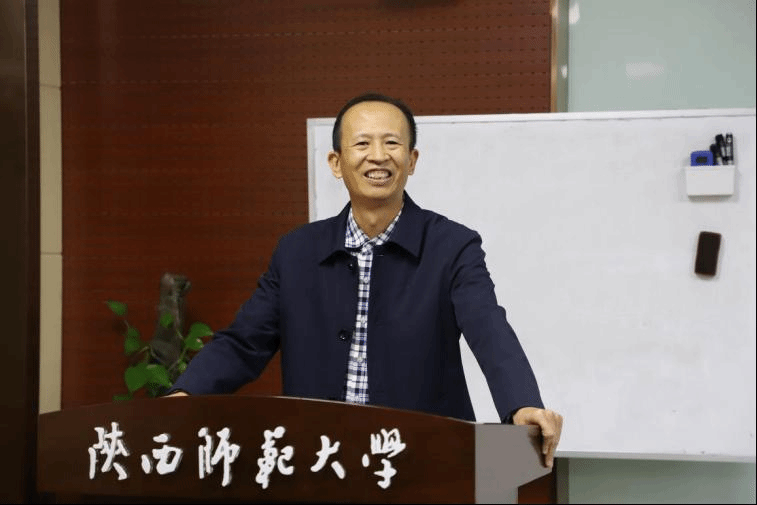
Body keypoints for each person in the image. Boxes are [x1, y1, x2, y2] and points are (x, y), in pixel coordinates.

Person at [167, 92, 563, 468]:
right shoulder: (297, 251)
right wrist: (187, 393)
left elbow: (488, 328)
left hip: (424, 458)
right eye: (362, 144)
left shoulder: (452, 246)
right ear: (336, 162)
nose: (378, 156)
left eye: (392, 143)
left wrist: (522, 404)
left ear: (412, 159)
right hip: (321, 458)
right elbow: (245, 341)